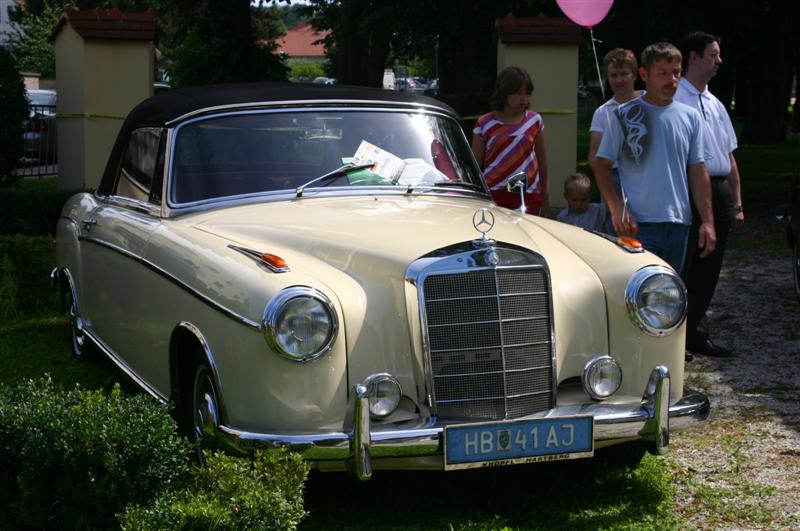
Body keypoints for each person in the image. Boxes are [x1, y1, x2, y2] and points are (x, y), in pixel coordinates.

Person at [594, 42, 716, 276]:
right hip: (639, 225)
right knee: (641, 295)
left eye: (676, 73)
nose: (671, 80)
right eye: (663, 73)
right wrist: (616, 206)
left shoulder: (690, 117)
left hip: (679, 223)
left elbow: (698, 171)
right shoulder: (625, 115)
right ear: (644, 75)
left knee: (670, 295)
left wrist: (708, 222)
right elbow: (601, 164)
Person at [675, 31, 743, 358]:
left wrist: (737, 200)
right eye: (713, 54)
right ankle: (674, 335)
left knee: (710, 268)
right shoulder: (674, 99)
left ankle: (693, 331)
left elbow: (728, 156)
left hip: (718, 188)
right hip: (687, 188)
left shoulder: (715, 104)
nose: (719, 61)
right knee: (685, 263)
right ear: (694, 57)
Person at [471, 66, 550, 217]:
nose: (524, 98)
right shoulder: (484, 123)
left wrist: (545, 199)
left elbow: (543, 162)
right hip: (494, 194)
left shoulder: (535, 120)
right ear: (504, 92)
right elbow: (475, 166)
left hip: (529, 194)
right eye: (518, 93)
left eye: (527, 93)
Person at [588, 48, 644, 174]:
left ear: (634, 75)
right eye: (614, 75)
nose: (619, 80)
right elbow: (594, 152)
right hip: (614, 175)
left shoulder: (650, 103)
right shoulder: (602, 112)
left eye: (624, 74)